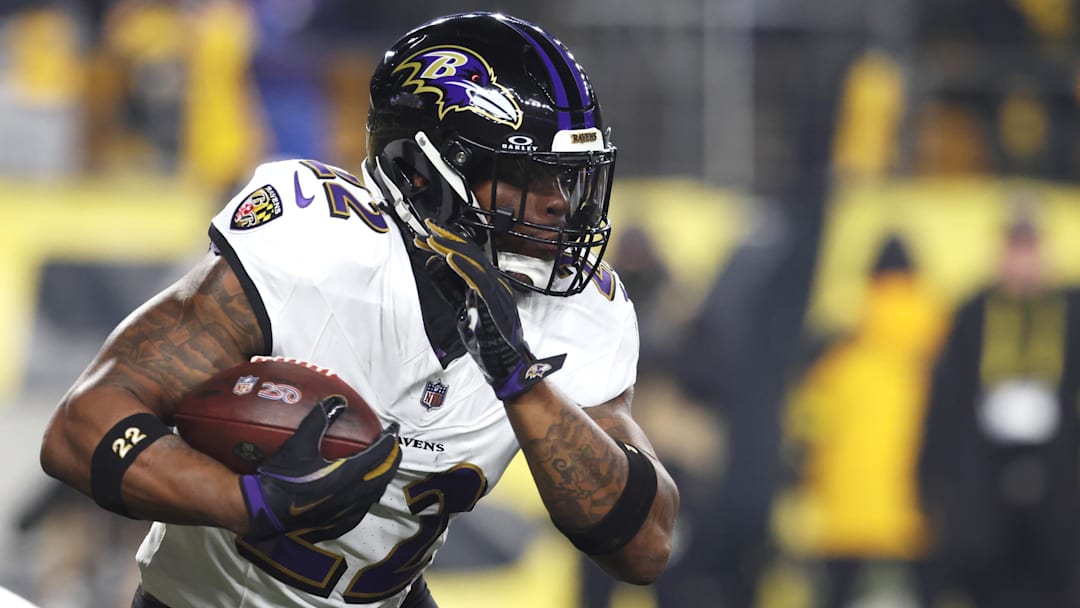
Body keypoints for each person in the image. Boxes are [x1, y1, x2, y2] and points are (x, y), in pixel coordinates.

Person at [38, 12, 679, 608]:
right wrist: (248, 501)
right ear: (426, 169)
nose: (560, 204)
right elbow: (82, 426)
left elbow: (644, 545)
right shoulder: (316, 243)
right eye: (528, 175)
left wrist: (519, 379)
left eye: (569, 177)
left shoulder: (576, 306)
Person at [917, 212, 1080, 607]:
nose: (1021, 261)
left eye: (1029, 250)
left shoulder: (1070, 310)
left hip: (1057, 485)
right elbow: (946, 399)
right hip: (985, 488)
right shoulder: (973, 312)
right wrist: (930, 475)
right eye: (1014, 249)